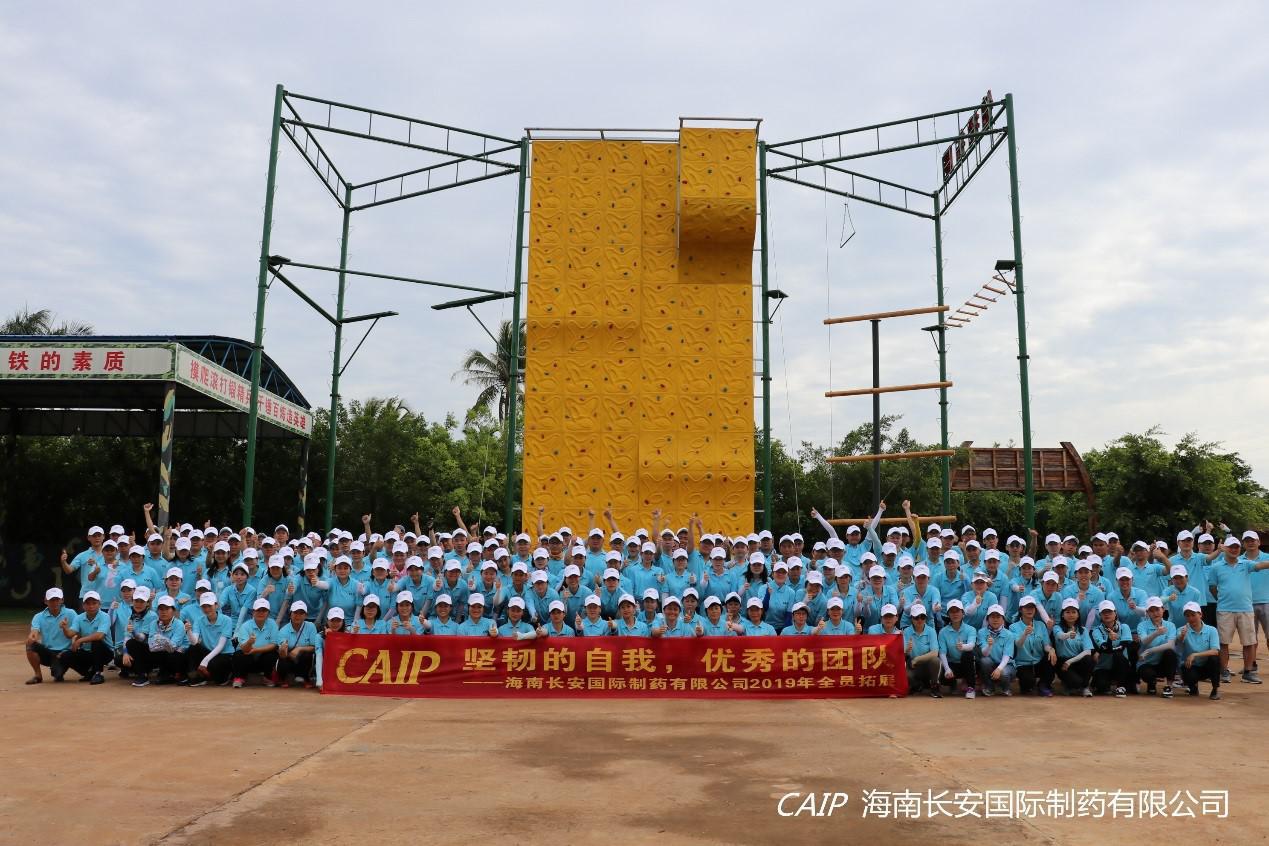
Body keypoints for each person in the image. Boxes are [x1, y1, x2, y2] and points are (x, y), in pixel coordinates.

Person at [1206, 535, 1269, 684]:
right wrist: (1222, 599)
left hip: (1245, 609)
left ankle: (1248, 672)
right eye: (1231, 547)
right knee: (1224, 642)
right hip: (1225, 609)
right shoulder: (1216, 567)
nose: (1234, 550)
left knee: (1249, 642)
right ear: (1225, 549)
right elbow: (1212, 587)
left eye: (1236, 547)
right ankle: (1224, 671)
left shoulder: (1245, 564)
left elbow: (1260, 565)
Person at [25, 587, 76, 684]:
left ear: (62, 600)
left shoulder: (71, 613)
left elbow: (78, 630)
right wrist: (32, 637)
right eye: (51, 600)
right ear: (46, 601)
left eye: (57, 599)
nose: (55, 602)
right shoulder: (38, 616)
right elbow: (34, 631)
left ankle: (57, 669)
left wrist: (75, 641)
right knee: (30, 645)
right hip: (48, 653)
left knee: (58, 675)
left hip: (65, 654)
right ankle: (38, 675)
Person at [184, 593, 235, 687]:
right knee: (192, 648)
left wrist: (205, 661)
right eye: (204, 606)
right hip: (208, 652)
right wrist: (189, 631)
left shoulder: (227, 620)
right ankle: (199, 677)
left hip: (224, 654)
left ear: (216, 605)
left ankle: (226, 675)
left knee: (218, 677)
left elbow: (220, 646)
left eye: (209, 606)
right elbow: (194, 642)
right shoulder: (199, 620)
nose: (207, 609)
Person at [1010, 596, 1056, 696]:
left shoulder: (1041, 625)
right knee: (1028, 684)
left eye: (1032, 607)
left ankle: (1043, 685)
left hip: (1038, 661)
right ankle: (1027, 686)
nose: (1029, 610)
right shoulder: (1013, 627)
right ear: (1020, 610)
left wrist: (1051, 649)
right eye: (1026, 607)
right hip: (1022, 664)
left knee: (1051, 657)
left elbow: (1046, 645)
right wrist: (1025, 634)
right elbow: (1018, 645)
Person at [1176, 601, 1222, 699]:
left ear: (1200, 614)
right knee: (1187, 672)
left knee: (1214, 659)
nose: (1190, 618)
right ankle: (1193, 687)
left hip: (1206, 665)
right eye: (1187, 616)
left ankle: (1215, 689)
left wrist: (1195, 655)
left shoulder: (1211, 630)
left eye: (1193, 615)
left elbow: (1215, 651)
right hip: (1191, 666)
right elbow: (1178, 646)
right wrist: (1182, 636)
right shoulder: (1181, 630)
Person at [230, 598, 280, 688]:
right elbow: (244, 650)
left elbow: (274, 644)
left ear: (268, 613)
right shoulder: (245, 626)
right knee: (238, 655)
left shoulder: (272, 624)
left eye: (264, 610)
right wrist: (249, 642)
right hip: (248, 658)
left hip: (261, 659)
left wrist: (256, 650)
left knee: (272, 654)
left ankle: (267, 677)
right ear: (253, 612)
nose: (261, 613)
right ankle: (239, 677)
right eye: (258, 610)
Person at [1089, 600, 1134, 698]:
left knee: (1118, 655)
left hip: (1121, 666)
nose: (1107, 614)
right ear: (1100, 615)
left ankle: (1121, 687)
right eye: (1104, 612)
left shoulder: (1124, 627)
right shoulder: (1096, 631)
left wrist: (1105, 649)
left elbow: (1122, 647)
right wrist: (1109, 640)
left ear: (1115, 613)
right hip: (1104, 666)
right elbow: (1105, 648)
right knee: (1102, 686)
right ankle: (1103, 684)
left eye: (1109, 612)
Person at [1135, 597, 1178, 697]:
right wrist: (1156, 633)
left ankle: (1169, 686)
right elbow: (1144, 641)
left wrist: (1150, 650)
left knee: (1170, 653)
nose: (1155, 613)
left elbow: (1171, 645)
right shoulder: (1142, 625)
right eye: (1151, 611)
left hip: (1162, 663)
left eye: (1157, 609)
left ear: (1163, 609)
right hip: (1146, 662)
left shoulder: (1170, 625)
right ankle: (1152, 683)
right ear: (1147, 613)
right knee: (1147, 674)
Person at [1052, 598, 1095, 696]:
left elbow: (1087, 651)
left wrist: (1070, 661)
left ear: (1078, 614)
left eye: (1073, 612)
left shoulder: (1083, 630)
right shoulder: (1057, 627)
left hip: (1075, 661)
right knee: (1076, 682)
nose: (1071, 614)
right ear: (1062, 615)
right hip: (1062, 662)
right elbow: (1060, 636)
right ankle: (1071, 685)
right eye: (1067, 612)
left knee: (1088, 659)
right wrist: (1068, 634)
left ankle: (1085, 687)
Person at [120, 586, 159, 686]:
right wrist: (125, 653)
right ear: (132, 601)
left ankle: (143, 675)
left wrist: (134, 632)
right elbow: (126, 637)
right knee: (119, 659)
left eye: (142, 601)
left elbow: (142, 638)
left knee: (132, 643)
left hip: (152, 652)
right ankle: (138, 669)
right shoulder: (131, 617)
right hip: (139, 650)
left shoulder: (152, 616)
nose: (138, 604)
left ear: (147, 603)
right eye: (136, 601)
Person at [936, 599, 976, 698]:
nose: (955, 614)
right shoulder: (943, 632)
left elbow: (971, 645)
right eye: (952, 612)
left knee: (968, 654)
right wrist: (947, 669)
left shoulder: (971, 629)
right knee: (942, 676)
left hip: (966, 664)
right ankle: (952, 683)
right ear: (948, 614)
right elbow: (942, 653)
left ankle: (971, 687)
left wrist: (963, 647)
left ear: (962, 613)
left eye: (957, 611)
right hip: (951, 664)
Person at [146, 596, 189, 684]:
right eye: (161, 609)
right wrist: (161, 642)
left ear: (173, 610)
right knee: (149, 651)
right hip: (165, 651)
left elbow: (173, 647)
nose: (163, 612)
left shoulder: (179, 624)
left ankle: (180, 674)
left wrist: (159, 639)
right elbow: (151, 645)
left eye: (167, 609)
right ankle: (164, 673)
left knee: (172, 654)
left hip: (181, 654)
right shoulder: (153, 623)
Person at [275, 602, 320, 687]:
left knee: (308, 655)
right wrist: (283, 650)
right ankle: (282, 678)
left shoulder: (311, 627)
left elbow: (314, 647)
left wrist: (299, 648)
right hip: (288, 657)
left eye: (301, 613)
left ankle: (305, 678)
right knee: (282, 659)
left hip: (302, 658)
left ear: (306, 615)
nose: (298, 616)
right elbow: (282, 654)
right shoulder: (283, 630)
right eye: (295, 612)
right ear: (290, 614)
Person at [902, 604, 941, 697]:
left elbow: (935, 653)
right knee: (904, 673)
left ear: (926, 618)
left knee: (935, 661)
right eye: (916, 617)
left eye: (922, 617)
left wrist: (917, 659)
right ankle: (917, 685)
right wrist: (906, 650)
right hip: (913, 665)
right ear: (911, 618)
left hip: (927, 664)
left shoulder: (931, 631)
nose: (919, 620)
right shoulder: (906, 631)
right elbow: (902, 654)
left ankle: (934, 686)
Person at [975, 605, 1015, 696]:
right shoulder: (981, 632)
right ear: (987, 619)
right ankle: (990, 687)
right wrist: (989, 646)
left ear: (1003, 619)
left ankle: (1006, 688)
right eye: (992, 617)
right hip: (990, 664)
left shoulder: (1009, 634)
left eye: (998, 617)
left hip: (1007, 665)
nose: (995, 619)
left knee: (1004, 673)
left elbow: (1007, 656)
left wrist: (999, 669)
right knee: (984, 661)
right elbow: (984, 653)